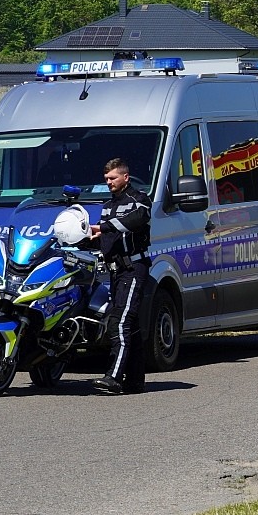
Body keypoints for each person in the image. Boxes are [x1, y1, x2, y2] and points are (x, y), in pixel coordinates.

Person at [89, 158, 152, 395]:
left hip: (133, 268)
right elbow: (106, 238)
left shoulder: (140, 200)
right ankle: (135, 381)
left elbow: (136, 221)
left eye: (113, 178)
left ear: (126, 177)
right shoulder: (107, 205)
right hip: (115, 272)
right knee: (131, 326)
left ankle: (113, 377)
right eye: (106, 179)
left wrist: (103, 228)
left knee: (121, 321)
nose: (109, 182)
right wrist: (86, 237)